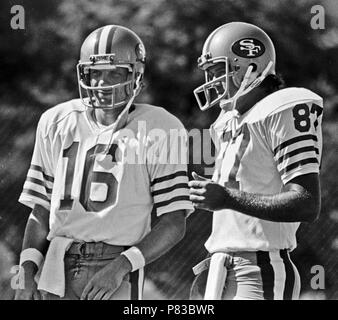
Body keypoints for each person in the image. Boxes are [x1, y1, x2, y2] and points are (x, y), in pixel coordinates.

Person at [15, 25, 193, 300]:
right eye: (95, 73)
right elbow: (40, 211)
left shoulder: (161, 127)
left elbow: (173, 222)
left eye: (114, 73)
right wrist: (26, 272)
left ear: (136, 76)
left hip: (116, 263)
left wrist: (121, 266)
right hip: (56, 264)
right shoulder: (56, 120)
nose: (101, 83)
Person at [189, 22, 323, 300]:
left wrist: (227, 198)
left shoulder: (283, 107)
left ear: (248, 67)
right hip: (221, 267)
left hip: (261, 267)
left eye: (218, 72)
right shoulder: (226, 122)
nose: (211, 82)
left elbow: (307, 202)